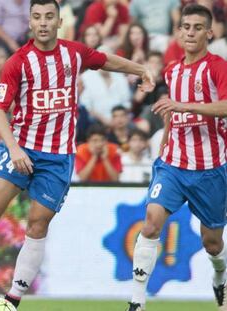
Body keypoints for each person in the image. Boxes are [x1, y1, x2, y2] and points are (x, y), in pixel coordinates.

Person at [0, 0, 154, 310]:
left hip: (57, 157)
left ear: (58, 22)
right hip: (21, 148)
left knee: (37, 226)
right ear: (30, 22)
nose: (42, 22)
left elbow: (106, 60)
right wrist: (13, 149)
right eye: (37, 17)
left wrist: (139, 69)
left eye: (49, 17)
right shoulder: (17, 62)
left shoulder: (74, 53)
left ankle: (12, 300)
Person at [125, 4, 227, 311]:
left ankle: (220, 276)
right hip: (172, 165)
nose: (191, 32)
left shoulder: (217, 66)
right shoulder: (172, 70)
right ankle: (137, 301)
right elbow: (171, 115)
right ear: (179, 32)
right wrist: (164, 147)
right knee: (152, 223)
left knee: (212, 242)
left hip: (210, 169)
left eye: (198, 27)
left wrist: (187, 106)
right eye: (186, 27)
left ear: (209, 33)